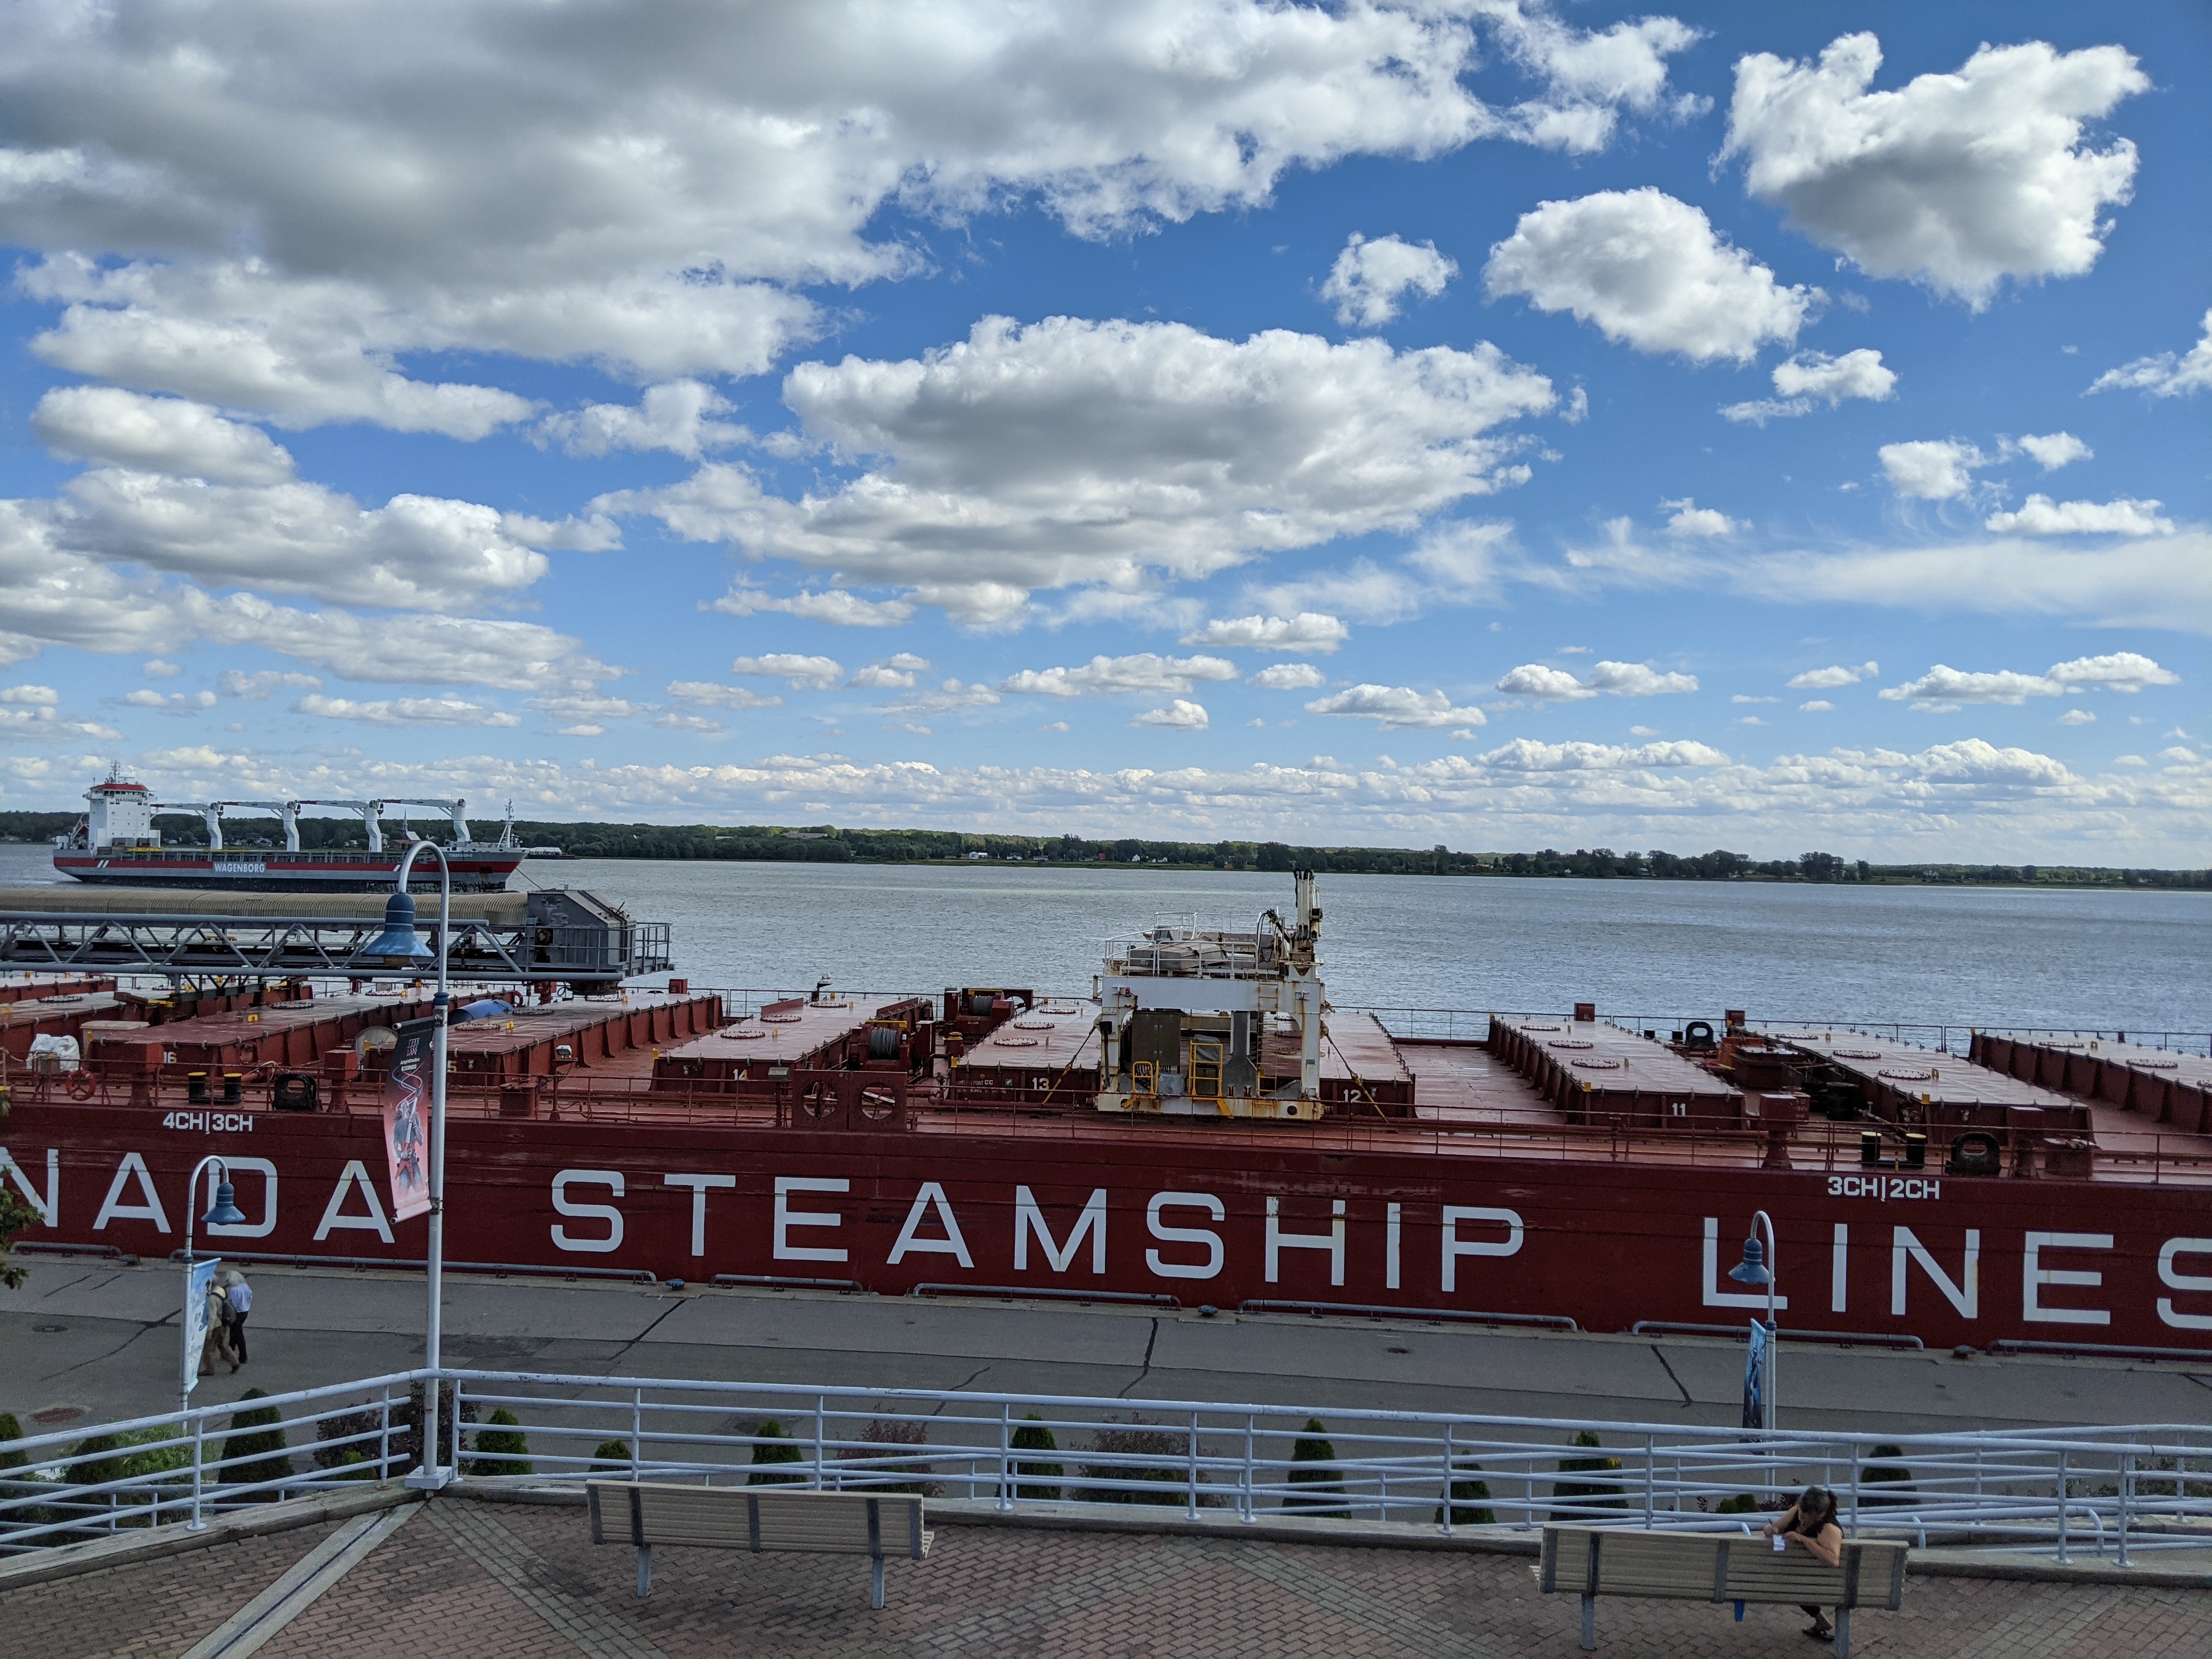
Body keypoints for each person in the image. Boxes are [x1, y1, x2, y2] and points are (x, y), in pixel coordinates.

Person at [1763, 1485, 1844, 1642]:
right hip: (1800, 1575)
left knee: (1791, 1583)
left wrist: (1803, 1539)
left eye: (1807, 1515)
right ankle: (1821, 1621)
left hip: (1819, 1580)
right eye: (1800, 1512)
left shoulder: (1829, 1528)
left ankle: (1821, 1620)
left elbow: (1833, 1560)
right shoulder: (1797, 1512)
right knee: (1791, 1581)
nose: (1801, 1517)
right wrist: (1770, 1530)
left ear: (1820, 1515)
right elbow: (1777, 1528)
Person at [222, 1270, 253, 1364]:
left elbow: (233, 1304)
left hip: (237, 1313)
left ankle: (240, 1356)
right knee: (235, 1332)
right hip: (245, 1311)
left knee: (237, 1333)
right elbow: (250, 1297)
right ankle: (232, 1351)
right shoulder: (245, 1286)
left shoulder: (234, 1290)